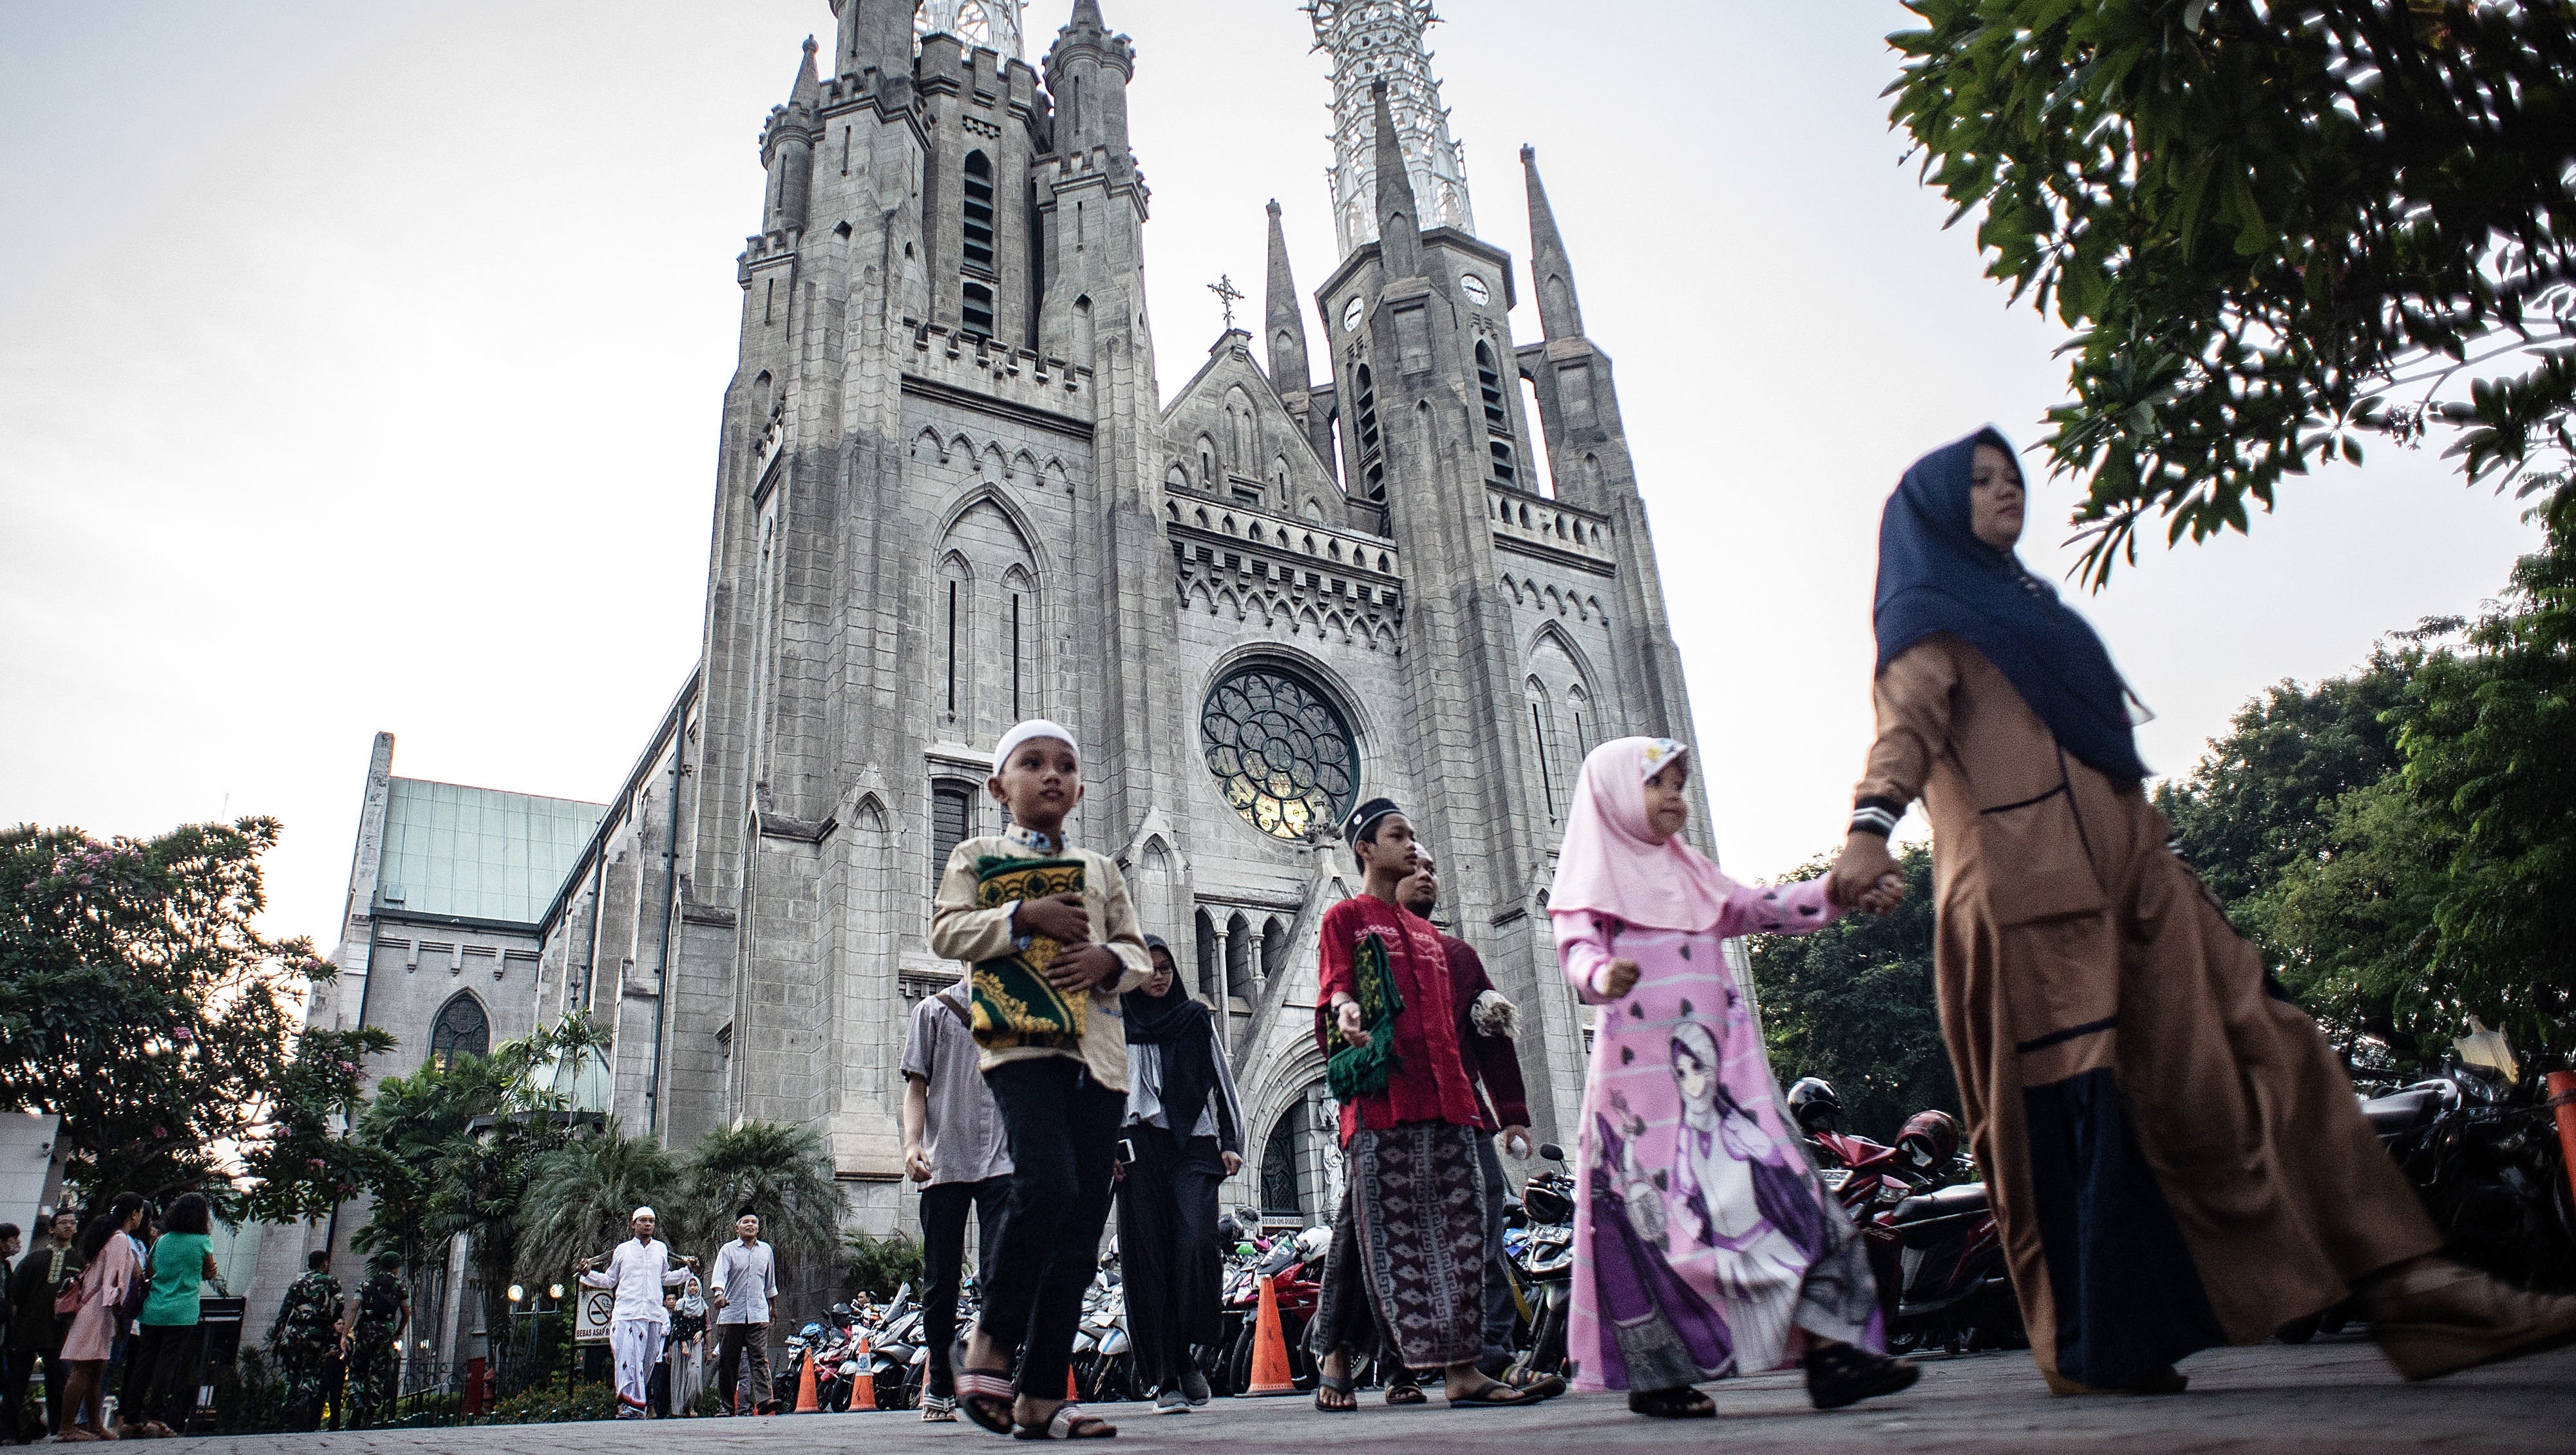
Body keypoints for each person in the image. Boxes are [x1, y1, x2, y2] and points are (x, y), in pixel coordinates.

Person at [1827, 427, 2576, 1392]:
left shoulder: (2032, 613)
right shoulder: (1931, 621)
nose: (2006, 489)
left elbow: (2101, 753)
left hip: (2146, 889)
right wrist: (1869, 827)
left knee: (2280, 1051)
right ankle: (2099, 1340)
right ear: (1935, 508)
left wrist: (2160, 847)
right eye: (1979, 480)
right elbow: (1906, 734)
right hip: (2034, 910)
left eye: (2013, 475)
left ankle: (2420, 1291)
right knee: (2087, 1120)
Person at [1550, 737, 1915, 1418]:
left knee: (1793, 1204)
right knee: (1654, 1230)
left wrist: (1840, 889)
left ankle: (1833, 1356)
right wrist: (1602, 975)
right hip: (1642, 1103)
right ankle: (1658, 1377)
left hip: (1720, 1095)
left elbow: (1762, 908)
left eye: (1679, 784)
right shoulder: (1589, 883)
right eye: (1657, 783)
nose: (1674, 798)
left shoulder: (1690, 874)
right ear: (1616, 795)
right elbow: (1576, 951)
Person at [934, 719, 1152, 1441]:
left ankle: (1039, 1396)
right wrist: (1020, 916)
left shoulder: (1100, 870)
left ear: (1081, 788)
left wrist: (1109, 964)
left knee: (1082, 1227)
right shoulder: (976, 855)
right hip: (1021, 1047)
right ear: (1000, 786)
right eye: (1032, 763)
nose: (1051, 774)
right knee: (1046, 1184)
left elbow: (1138, 951)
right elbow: (946, 932)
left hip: (1099, 1057)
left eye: (1065, 765)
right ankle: (990, 1340)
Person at [1308, 799, 1537, 1412]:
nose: (1413, 847)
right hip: (1385, 1107)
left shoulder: (1437, 941)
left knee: (1465, 1239)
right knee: (1387, 1243)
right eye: (1398, 836)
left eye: (1415, 836)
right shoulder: (1345, 918)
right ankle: (1350, 1355)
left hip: (1453, 1108)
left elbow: (1464, 1028)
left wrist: (1500, 1107)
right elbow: (1335, 983)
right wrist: (1344, 1009)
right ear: (1364, 849)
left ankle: (1464, 1370)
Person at [1392, 853, 1560, 1397]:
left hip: (1465, 1120)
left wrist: (1511, 1114)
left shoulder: (1459, 955)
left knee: (1485, 1229)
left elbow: (1492, 1031)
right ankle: (1401, 1367)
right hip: (1400, 1122)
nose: (1425, 875)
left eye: (1431, 870)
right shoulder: (1376, 955)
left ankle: (1494, 1354)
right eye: (1411, 868)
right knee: (1404, 1240)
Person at [1115, 933, 1246, 1414]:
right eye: (1147, 968)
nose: (1158, 975)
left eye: (1165, 966)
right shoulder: (1115, 1021)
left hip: (1193, 1142)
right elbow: (1101, 1089)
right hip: (1135, 1147)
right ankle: (1169, 1373)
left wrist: (1232, 1143)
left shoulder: (1195, 1018)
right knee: (1149, 1260)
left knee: (1196, 1241)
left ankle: (1195, 1343)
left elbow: (1221, 1080)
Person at [900, 974, 1012, 1423]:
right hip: (945, 1157)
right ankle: (941, 1383)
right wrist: (911, 1144)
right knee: (941, 1279)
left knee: (1001, 1273)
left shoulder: (1019, 1013)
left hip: (1003, 1160)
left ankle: (996, 1374)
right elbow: (916, 1085)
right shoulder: (932, 1011)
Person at [117, 1192, 222, 1438]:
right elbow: (208, 1272)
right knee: (167, 1364)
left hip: (153, 1309)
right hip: (182, 1310)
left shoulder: (162, 1241)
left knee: (144, 1363)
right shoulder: (201, 1241)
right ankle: (156, 1417)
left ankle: (131, 1418)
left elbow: (151, 1270)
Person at [578, 1207, 694, 1419]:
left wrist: (688, 1271)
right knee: (627, 1359)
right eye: (643, 1221)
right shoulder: (622, 1250)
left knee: (646, 1364)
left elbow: (665, 1277)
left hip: (652, 1315)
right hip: (626, 1314)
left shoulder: (660, 1249)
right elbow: (609, 1280)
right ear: (633, 1224)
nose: (647, 1225)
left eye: (651, 1221)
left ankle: (635, 1405)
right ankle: (627, 1406)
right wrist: (588, 1274)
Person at [55, 1193, 144, 1443]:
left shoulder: (109, 1236)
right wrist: (118, 1317)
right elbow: (114, 1282)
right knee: (83, 1368)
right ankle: (66, 1428)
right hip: (101, 1310)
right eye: (140, 1213)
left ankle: (94, 1425)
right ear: (133, 1214)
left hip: (95, 1308)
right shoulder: (119, 1240)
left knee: (96, 1368)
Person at [8, 1208, 82, 1440]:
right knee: (16, 1383)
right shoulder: (34, 1259)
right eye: (63, 1223)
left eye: (72, 1222)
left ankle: (60, 1429)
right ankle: (9, 1432)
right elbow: (15, 1294)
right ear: (52, 1229)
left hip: (59, 1333)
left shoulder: (78, 1261)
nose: (69, 1227)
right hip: (27, 1329)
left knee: (59, 1380)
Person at [708, 1209, 779, 1416]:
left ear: (759, 1227)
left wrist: (773, 1307)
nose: (750, 1225)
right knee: (729, 1362)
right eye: (746, 1222)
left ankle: (765, 1400)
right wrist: (719, 1295)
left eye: (754, 1222)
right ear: (737, 1227)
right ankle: (727, 1407)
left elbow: (770, 1282)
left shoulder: (766, 1250)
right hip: (732, 1315)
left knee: (759, 1358)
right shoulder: (728, 1250)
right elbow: (719, 1276)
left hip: (758, 1314)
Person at [270, 1249, 342, 1432]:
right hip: (316, 1334)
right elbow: (341, 1303)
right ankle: (304, 1397)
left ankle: (288, 1418)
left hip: (294, 1333)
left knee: (292, 1375)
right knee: (313, 1372)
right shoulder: (331, 1281)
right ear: (324, 1264)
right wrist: (331, 1321)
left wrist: (278, 1334)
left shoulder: (297, 1283)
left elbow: (285, 1310)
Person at [345, 1255, 408, 1430]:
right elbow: (406, 1312)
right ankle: (370, 1415)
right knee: (378, 1372)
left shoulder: (366, 1284)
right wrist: (398, 1332)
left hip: (366, 1328)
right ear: (395, 1267)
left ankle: (357, 1400)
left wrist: (344, 1335)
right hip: (385, 1330)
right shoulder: (400, 1287)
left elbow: (353, 1309)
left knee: (358, 1369)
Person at [0, 1221, 18, 1445]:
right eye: (14, 1240)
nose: (17, 1245)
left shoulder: (6, 1267)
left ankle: (8, 1433)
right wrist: (8, 1308)